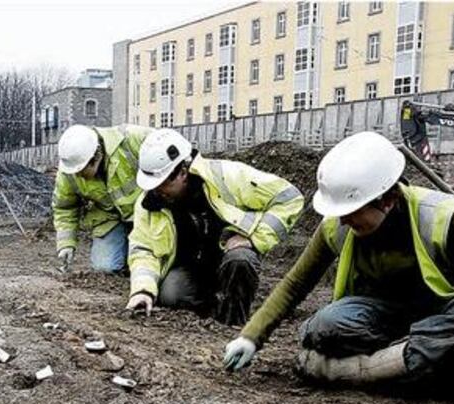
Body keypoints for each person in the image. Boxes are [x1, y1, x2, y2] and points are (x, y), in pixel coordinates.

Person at [221, 131, 454, 404]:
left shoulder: (443, 217)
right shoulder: (338, 225)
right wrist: (250, 337)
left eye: (352, 211)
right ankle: (429, 369)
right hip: (384, 324)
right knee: (324, 326)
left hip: (445, 319)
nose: (343, 220)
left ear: (387, 199)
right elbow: (294, 284)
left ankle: (353, 372)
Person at [125, 129, 304, 324]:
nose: (157, 191)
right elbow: (143, 249)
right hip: (189, 267)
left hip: (229, 258)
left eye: (161, 184)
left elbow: (289, 197)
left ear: (183, 172)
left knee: (241, 260)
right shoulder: (149, 203)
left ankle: (235, 320)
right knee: (170, 294)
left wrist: (253, 239)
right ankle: (211, 310)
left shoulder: (226, 176)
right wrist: (142, 290)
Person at [52, 124, 153, 273]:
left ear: (96, 156)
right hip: (108, 218)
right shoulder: (69, 171)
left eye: (81, 171)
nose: (77, 175)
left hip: (147, 214)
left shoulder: (134, 140)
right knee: (104, 268)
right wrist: (66, 243)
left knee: (153, 261)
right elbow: (64, 207)